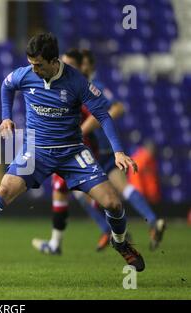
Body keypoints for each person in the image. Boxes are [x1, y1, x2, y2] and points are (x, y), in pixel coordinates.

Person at [0, 33, 146, 281]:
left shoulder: (77, 81)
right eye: (31, 63)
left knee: (113, 203)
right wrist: (5, 116)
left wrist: (119, 151)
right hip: (36, 150)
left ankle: (120, 243)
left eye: (39, 65)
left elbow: (104, 116)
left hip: (72, 151)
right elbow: (6, 84)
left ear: (54, 61)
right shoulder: (25, 75)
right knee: (3, 190)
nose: (33, 69)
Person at [33, 50, 166, 254]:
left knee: (82, 192)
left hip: (92, 149)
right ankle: (149, 222)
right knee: (117, 190)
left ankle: (102, 231)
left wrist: (87, 126)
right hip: (96, 149)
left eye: (84, 64)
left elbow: (117, 108)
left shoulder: (88, 87)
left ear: (88, 67)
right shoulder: (71, 84)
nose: (81, 68)